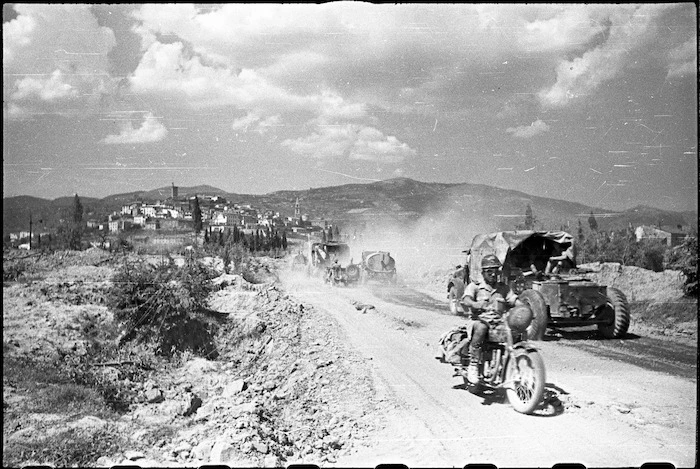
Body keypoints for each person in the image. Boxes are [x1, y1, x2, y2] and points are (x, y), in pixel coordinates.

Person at [459, 254, 523, 383]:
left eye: (495, 271)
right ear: (483, 273)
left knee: (516, 330)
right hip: (478, 321)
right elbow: (466, 299)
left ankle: (513, 364)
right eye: (489, 272)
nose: (493, 275)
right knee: (482, 327)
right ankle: (473, 365)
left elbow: (514, 300)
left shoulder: (503, 288)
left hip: (497, 322)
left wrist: (524, 309)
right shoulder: (475, 286)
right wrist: (475, 304)